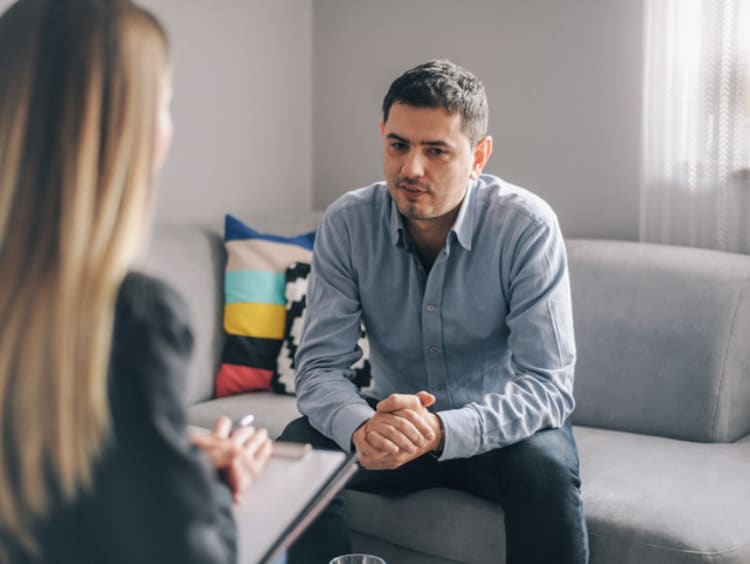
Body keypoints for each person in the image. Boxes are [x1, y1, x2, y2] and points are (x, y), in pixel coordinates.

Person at [279, 60, 589, 564]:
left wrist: (442, 430)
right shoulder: (348, 224)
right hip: (393, 434)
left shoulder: (526, 227)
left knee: (546, 465)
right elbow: (318, 369)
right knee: (297, 449)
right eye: (398, 144)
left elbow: (548, 386)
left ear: (478, 156)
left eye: (436, 151)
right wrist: (360, 426)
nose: (411, 169)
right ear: (382, 135)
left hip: (498, 435)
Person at [0, 1, 271, 562]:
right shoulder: (132, 317)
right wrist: (213, 487)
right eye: (166, 104)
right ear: (126, 128)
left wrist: (167, 450)